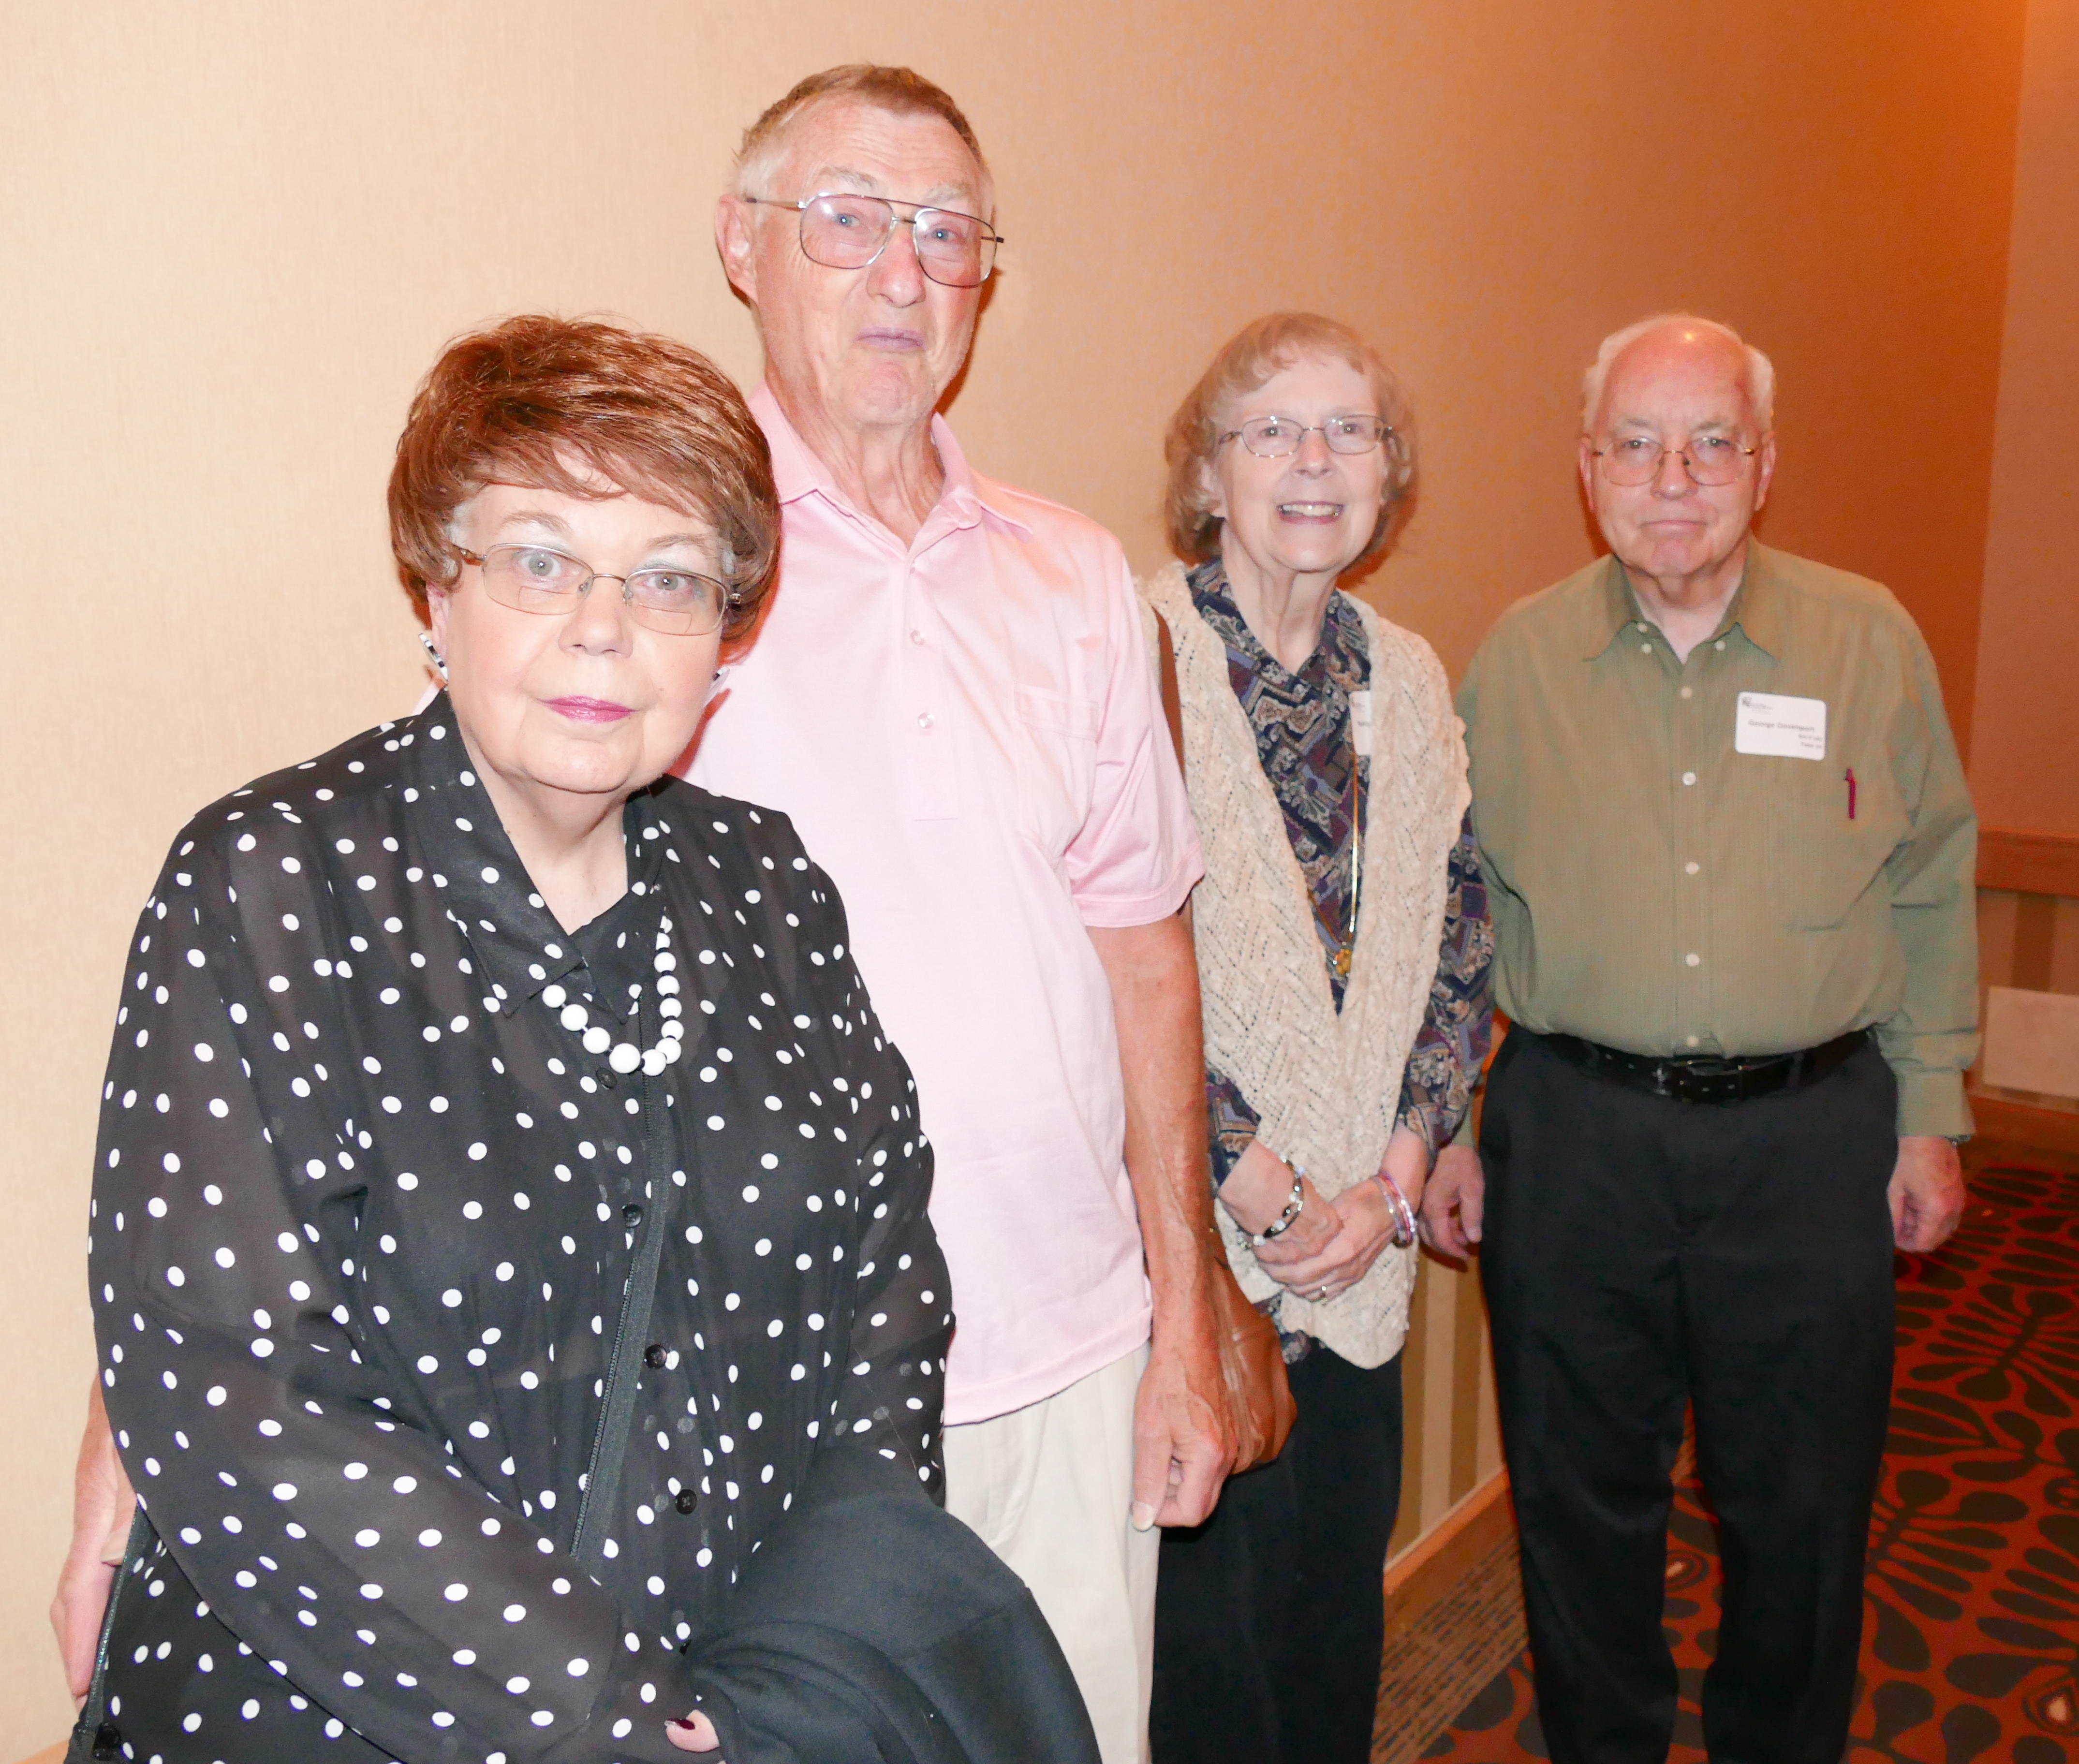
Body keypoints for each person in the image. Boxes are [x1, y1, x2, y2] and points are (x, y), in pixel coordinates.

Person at [64, 315, 1097, 1764]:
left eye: (669, 578)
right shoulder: (273, 880)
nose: (603, 629)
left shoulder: (768, 889)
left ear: (726, 635)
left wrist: (800, 1667)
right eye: (540, 560)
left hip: (739, 1696)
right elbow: (243, 1390)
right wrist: (602, 1724)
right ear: (437, 587)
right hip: (353, 1705)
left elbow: (884, 1298)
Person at [696, 65, 1241, 1761]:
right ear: (743, 247)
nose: (901, 273)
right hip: (782, 1383)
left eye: (946, 235)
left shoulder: (1075, 576)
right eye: (846, 219)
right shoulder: (666, 558)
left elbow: (1145, 955)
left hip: (1075, 1356)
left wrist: (1184, 1321)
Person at [1428, 313, 1977, 1763]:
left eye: (1710, 440)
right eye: (1635, 442)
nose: (1672, 476)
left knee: (1799, 1501)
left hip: (1810, 1141)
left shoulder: (1867, 640)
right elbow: (1458, 909)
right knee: (1572, 1491)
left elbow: (1926, 877)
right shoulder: (1516, 660)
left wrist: (1928, 1111)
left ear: (1764, 464)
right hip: (1572, 1131)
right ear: (1586, 468)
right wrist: (1445, 1118)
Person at [1138, 314, 1491, 1764]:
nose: (1311, 459)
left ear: (1387, 477)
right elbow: (1099, 960)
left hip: (1364, 1246)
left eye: (1349, 431)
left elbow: (1457, 937)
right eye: (1270, 427)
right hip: (1189, 1262)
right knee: (1204, 1667)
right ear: (1208, 472)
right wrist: (1258, 1183)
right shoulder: (1131, 652)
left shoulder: (1401, 676)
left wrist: (1391, 1179)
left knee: (1330, 1634)